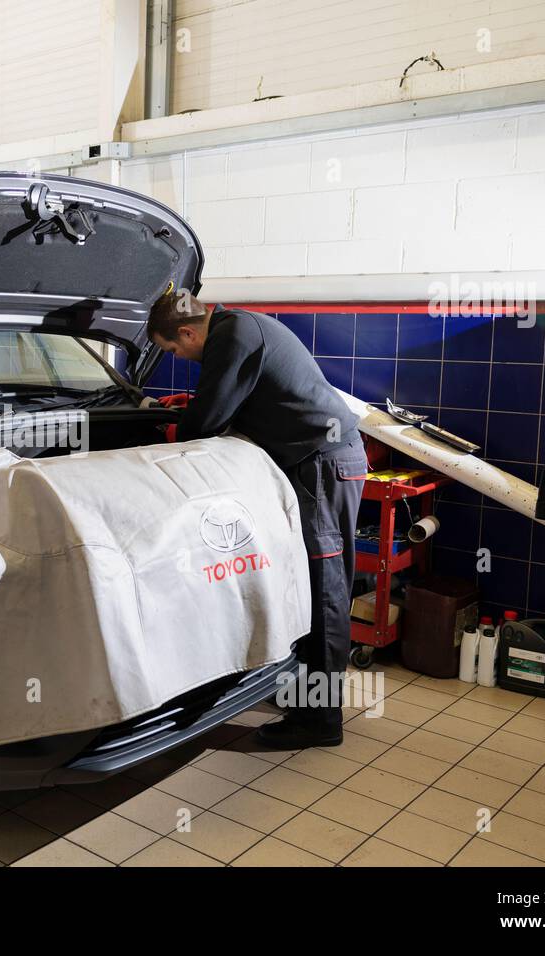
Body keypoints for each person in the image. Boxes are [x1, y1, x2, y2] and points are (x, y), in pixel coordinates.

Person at [148, 292, 369, 748]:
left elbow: (207, 418)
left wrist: (172, 431)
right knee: (311, 586)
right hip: (321, 463)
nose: (181, 358)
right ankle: (307, 697)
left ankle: (321, 721)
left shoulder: (233, 335)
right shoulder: (241, 325)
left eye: (174, 350)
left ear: (188, 331)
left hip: (323, 466)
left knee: (324, 590)